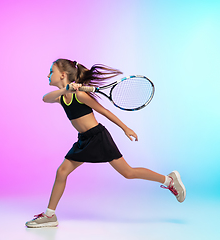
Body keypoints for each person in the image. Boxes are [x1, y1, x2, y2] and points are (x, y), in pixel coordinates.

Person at [25, 59, 186, 228]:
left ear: (63, 75)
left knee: (128, 172)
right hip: (83, 140)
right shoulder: (62, 97)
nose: (48, 75)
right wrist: (66, 88)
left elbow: (104, 111)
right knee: (62, 172)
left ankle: (169, 180)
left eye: (51, 71)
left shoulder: (79, 95)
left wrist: (125, 128)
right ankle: (50, 216)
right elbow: (45, 99)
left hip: (98, 138)